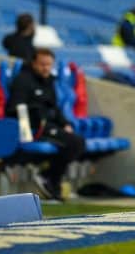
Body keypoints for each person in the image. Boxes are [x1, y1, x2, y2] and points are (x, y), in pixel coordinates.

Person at [6, 48, 85, 200]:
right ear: (34, 63)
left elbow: (54, 108)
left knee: (78, 141)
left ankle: (49, 177)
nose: (46, 68)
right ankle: (49, 178)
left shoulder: (49, 81)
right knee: (75, 143)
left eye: (49, 65)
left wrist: (65, 123)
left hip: (50, 126)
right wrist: (27, 129)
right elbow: (15, 107)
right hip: (34, 127)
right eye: (42, 64)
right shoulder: (23, 80)